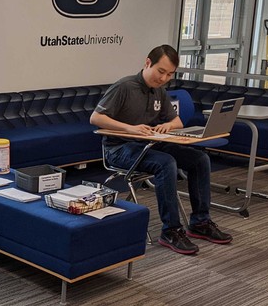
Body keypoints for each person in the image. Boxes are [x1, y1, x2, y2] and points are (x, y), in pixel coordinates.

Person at [90, 44, 232, 255]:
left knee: (200, 160)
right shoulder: (124, 87)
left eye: (169, 74)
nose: (164, 78)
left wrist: (169, 126)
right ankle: (171, 230)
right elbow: (96, 118)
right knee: (166, 163)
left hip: (149, 144)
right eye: (161, 71)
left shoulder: (160, 91)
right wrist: (130, 128)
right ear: (148, 63)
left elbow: (177, 121)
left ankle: (200, 222)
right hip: (119, 148)